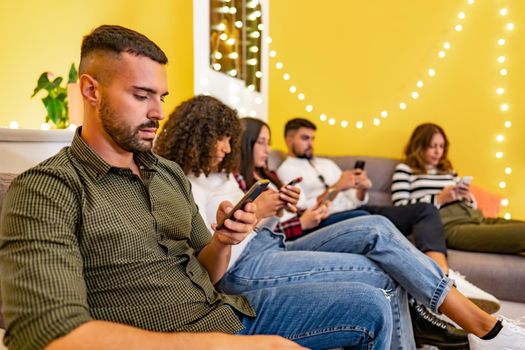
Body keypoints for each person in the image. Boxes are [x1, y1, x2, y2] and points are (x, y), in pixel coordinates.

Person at [0, 25, 396, 350]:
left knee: (371, 304)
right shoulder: (47, 190)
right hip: (179, 336)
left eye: (161, 97)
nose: (157, 112)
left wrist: (223, 240)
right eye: (141, 96)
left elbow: (209, 275)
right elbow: (47, 334)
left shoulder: (168, 173)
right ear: (91, 91)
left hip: (227, 313)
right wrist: (237, 346)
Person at [154, 94, 525, 350]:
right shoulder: (184, 183)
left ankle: (470, 321)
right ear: (200, 136)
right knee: (382, 270)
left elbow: (269, 223)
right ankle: (478, 327)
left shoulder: (226, 175)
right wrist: (259, 217)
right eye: (222, 138)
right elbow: (213, 258)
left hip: (270, 243)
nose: (227, 148)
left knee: (376, 229)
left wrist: (278, 211)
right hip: (247, 262)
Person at [276, 117, 500, 314]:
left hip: (360, 209)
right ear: (289, 140)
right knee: (373, 220)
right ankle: (444, 289)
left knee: (425, 209)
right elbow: (304, 212)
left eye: (313, 139)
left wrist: (361, 187)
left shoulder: (326, 163)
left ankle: (443, 275)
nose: (310, 144)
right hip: (329, 220)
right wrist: (336, 187)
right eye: (305, 138)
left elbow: (356, 199)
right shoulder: (286, 170)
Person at [392, 122, 525, 255]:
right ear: (419, 146)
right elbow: (400, 209)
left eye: (441, 146)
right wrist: (439, 198)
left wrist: (467, 197)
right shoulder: (405, 169)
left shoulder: (448, 170)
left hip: (475, 216)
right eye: (432, 146)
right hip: (448, 224)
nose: (438, 151)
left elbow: (469, 202)